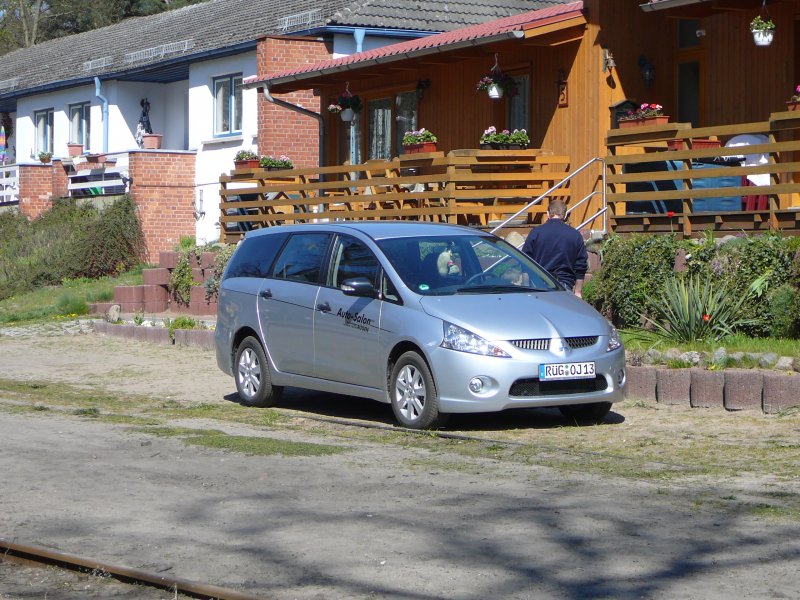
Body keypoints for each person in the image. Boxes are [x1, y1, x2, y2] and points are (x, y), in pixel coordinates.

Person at [521, 199, 588, 296]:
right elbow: (581, 265)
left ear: (548, 214)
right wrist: (578, 291)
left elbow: (525, 261)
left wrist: (526, 287)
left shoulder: (536, 233)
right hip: (564, 286)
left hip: (539, 286)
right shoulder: (575, 235)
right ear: (565, 215)